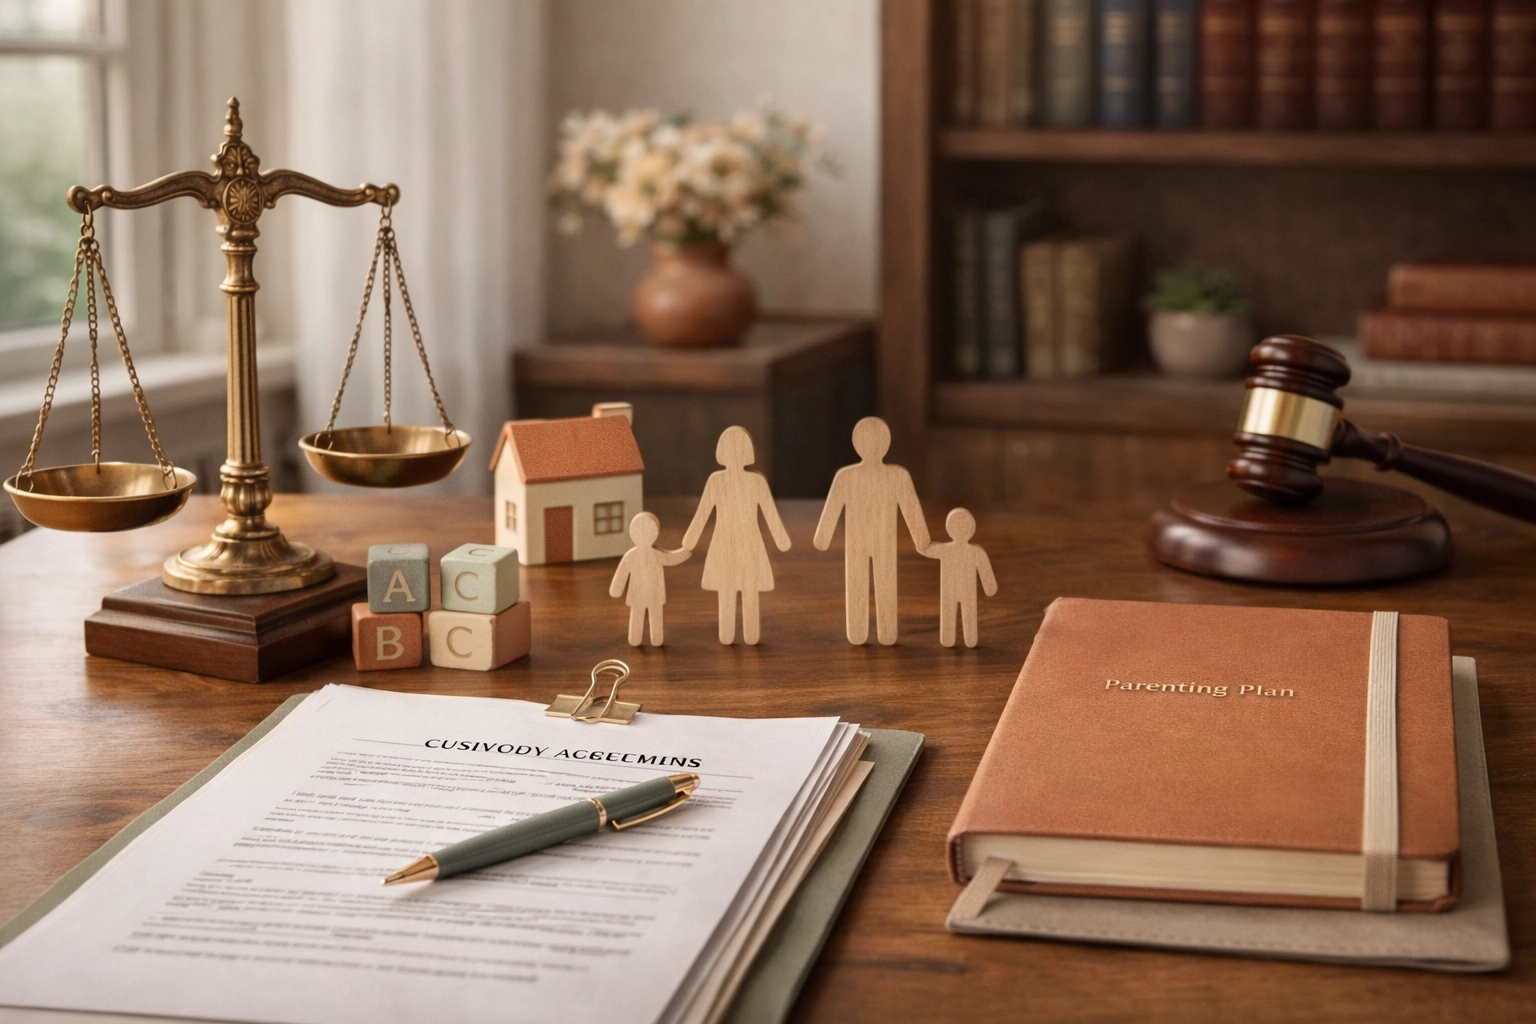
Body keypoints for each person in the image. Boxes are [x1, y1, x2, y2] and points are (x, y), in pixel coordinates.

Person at [813, 416, 931, 645]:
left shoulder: (878, 476)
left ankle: (880, 631)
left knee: (878, 584)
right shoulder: (863, 476)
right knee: (863, 584)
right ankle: (867, 632)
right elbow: (833, 508)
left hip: (877, 542)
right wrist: (921, 539)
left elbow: (911, 508)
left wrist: (823, 538)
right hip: (865, 543)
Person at [680, 426, 792, 645]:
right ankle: (736, 634)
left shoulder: (745, 481)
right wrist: (781, 539)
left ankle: (743, 634)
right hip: (738, 543)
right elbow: (702, 513)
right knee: (734, 587)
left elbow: (769, 512)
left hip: (736, 542)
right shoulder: (723, 481)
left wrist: (690, 539)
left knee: (737, 587)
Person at [609, 512, 690, 646]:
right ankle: (637, 639)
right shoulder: (632, 556)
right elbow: (622, 573)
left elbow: (672, 558)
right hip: (643, 594)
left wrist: (687, 551)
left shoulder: (651, 555)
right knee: (639, 615)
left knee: (654, 615)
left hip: (652, 594)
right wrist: (616, 589)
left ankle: (655, 639)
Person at [922, 508, 997, 648]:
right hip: (956, 591)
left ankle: (959, 639)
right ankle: (960, 639)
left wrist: (919, 539)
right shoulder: (971, 552)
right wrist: (989, 587)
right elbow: (927, 549)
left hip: (958, 591)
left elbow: (926, 549)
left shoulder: (951, 550)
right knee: (957, 613)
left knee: (960, 614)